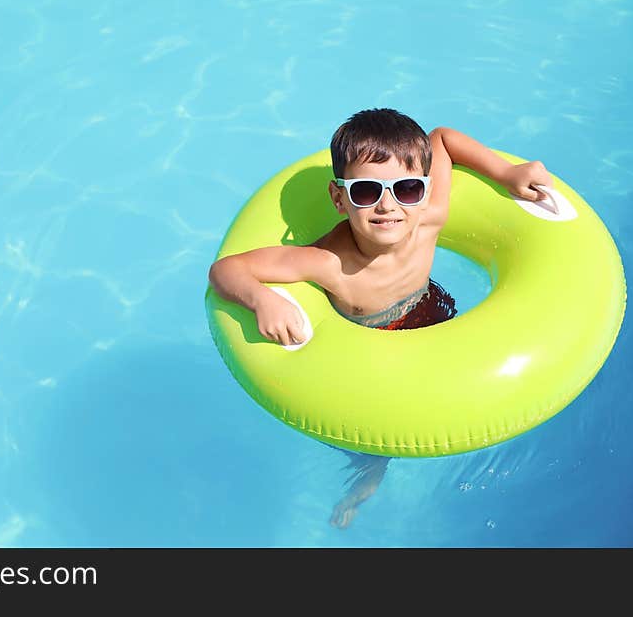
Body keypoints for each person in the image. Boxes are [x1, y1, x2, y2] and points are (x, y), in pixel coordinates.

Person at [208, 107, 556, 528]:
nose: (387, 206)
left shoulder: (429, 221)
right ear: (339, 199)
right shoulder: (327, 263)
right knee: (379, 436)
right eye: (366, 191)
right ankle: (370, 472)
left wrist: (506, 172)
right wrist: (262, 300)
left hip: (429, 312)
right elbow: (226, 269)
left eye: (407, 188)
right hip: (368, 347)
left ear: (424, 191)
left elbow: (442, 138)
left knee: (463, 383)